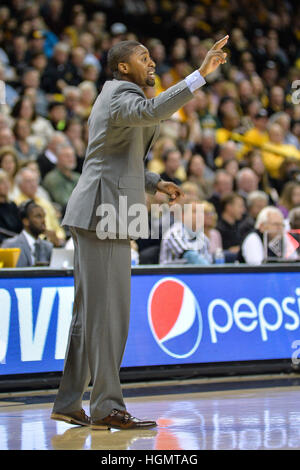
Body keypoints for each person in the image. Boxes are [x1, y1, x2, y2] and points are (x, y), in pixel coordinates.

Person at [51, 37, 228, 430]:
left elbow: (112, 156)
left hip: (99, 210)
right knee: (109, 317)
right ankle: (106, 407)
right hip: (104, 213)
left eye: (151, 55)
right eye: (143, 57)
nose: (152, 62)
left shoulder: (115, 96)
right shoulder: (121, 94)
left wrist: (153, 183)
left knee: (90, 316)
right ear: (124, 67)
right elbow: (151, 110)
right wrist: (199, 76)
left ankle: (68, 401)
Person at [2, 200, 53, 267]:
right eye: (38, 216)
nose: (43, 221)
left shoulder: (48, 247)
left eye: (44, 216)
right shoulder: (10, 246)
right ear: (26, 221)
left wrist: (58, 246)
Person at [159, 199, 211, 265]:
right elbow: (190, 256)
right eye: (194, 212)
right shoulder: (174, 233)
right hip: (172, 274)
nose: (199, 215)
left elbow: (208, 260)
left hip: (195, 274)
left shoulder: (203, 237)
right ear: (183, 215)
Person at [0, 169, 23, 243]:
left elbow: (20, 226)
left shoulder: (12, 204)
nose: (6, 185)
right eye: (2, 182)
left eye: (7, 181)